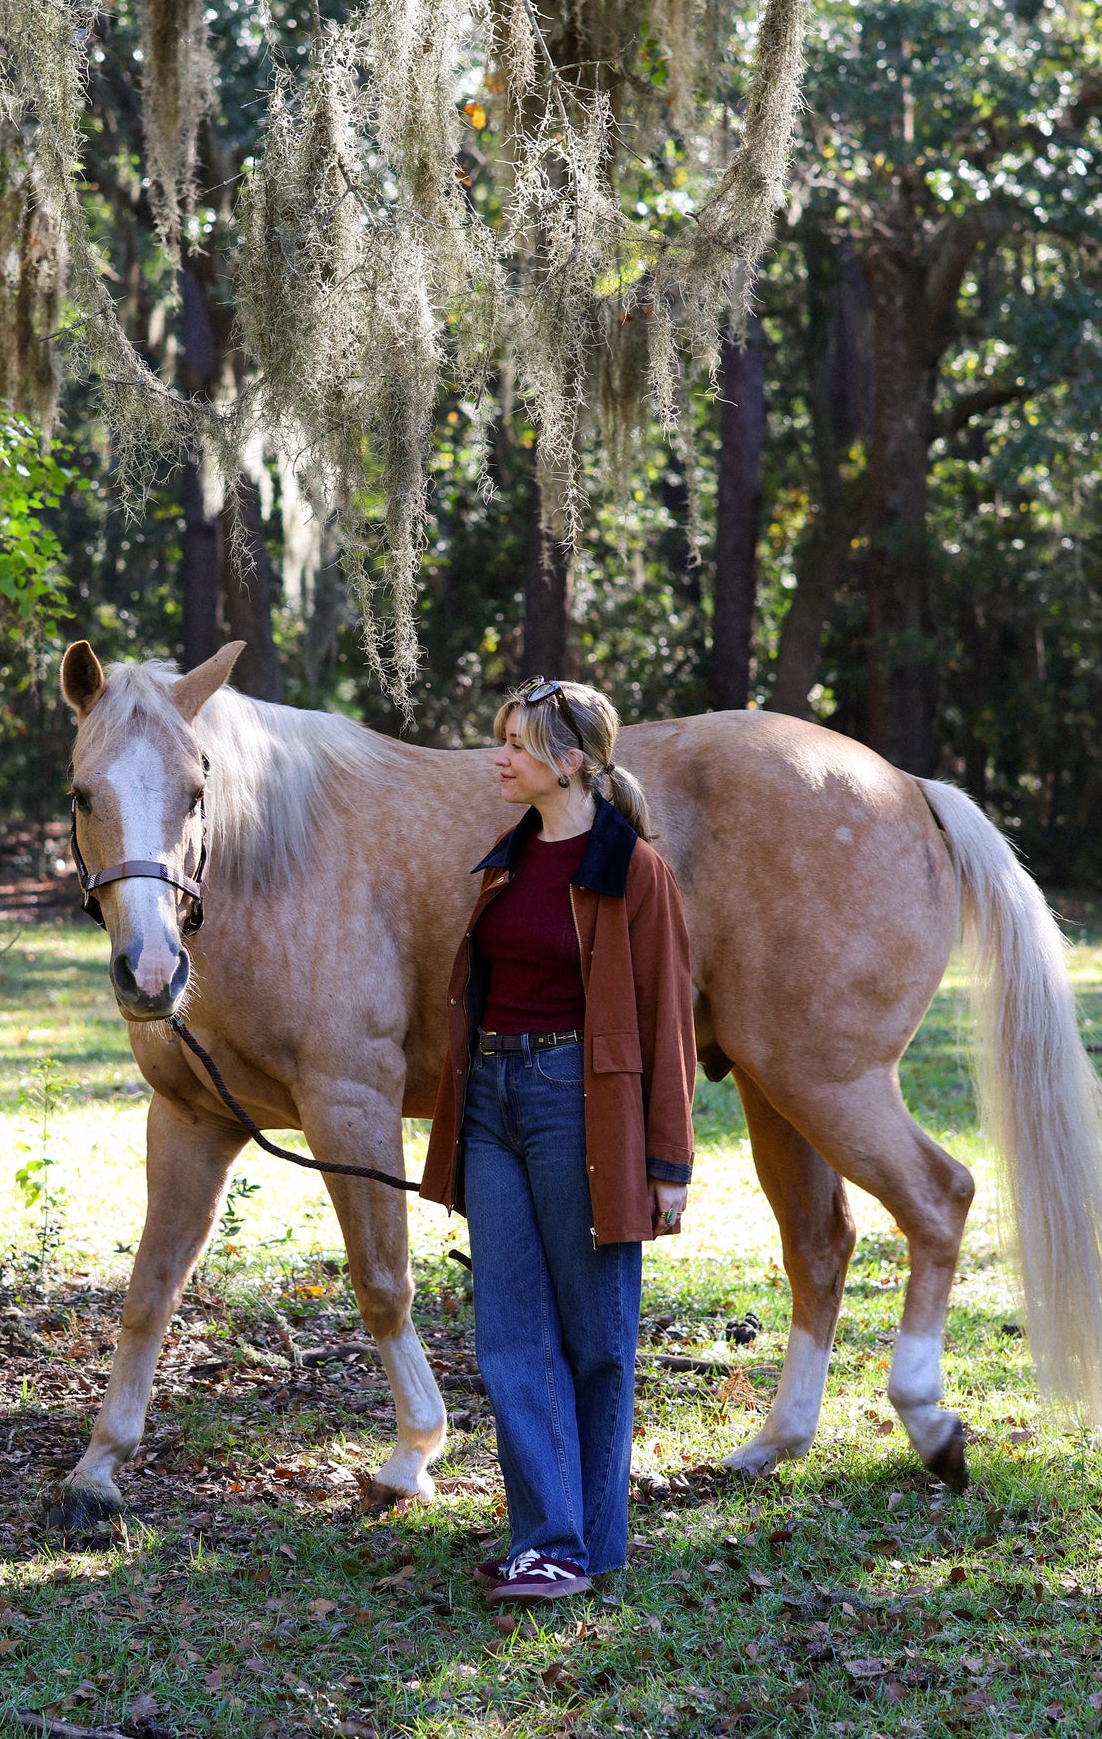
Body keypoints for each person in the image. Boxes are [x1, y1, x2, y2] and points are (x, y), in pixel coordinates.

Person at [420, 676, 697, 1604]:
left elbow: (668, 1025)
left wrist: (668, 1163)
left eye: (517, 744)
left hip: (581, 1104)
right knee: (509, 1330)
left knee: (596, 1335)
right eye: (500, 739)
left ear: (569, 761)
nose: (498, 756)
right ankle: (551, 1539)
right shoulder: (505, 860)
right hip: (494, 1101)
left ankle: (583, 1541)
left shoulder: (633, 872)